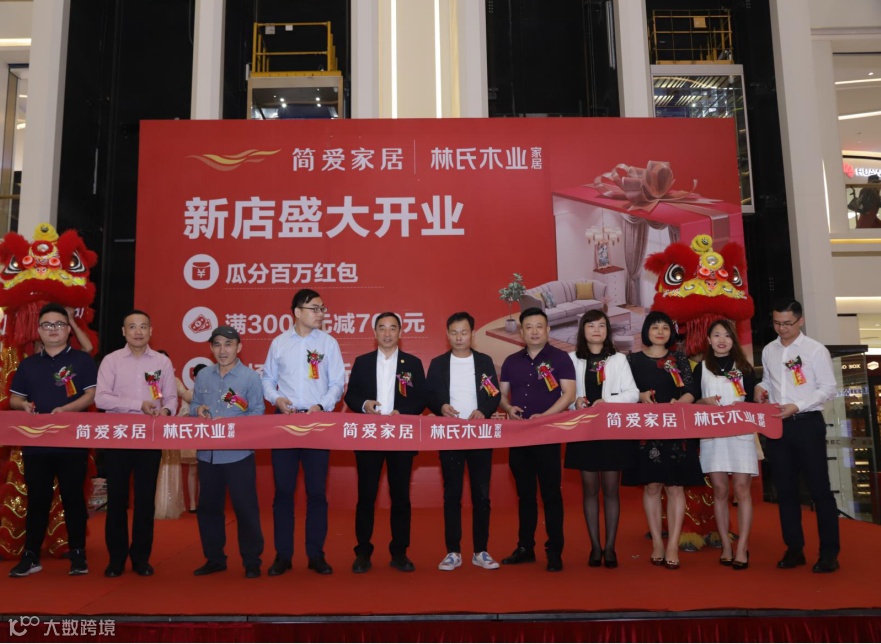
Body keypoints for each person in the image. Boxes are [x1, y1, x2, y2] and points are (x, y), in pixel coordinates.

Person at [8, 303, 98, 577]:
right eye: (47, 325)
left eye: (59, 324)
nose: (53, 330)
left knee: (73, 498)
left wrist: (68, 409)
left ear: (68, 329)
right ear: (39, 330)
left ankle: (78, 553)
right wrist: (23, 406)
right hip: (36, 443)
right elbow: (14, 398)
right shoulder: (28, 364)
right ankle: (31, 555)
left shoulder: (82, 360)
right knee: (37, 499)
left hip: (72, 441)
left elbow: (91, 395)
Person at [261, 288, 345, 576]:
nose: (320, 313)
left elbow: (337, 383)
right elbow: (267, 379)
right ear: (297, 312)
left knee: (316, 492)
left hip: (317, 422)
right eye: (315, 308)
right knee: (283, 491)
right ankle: (283, 556)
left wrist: (322, 405)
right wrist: (276, 398)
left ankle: (316, 555)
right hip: (284, 421)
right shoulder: (279, 343)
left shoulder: (329, 343)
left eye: (322, 309)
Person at [754, 299, 839, 573]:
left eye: (787, 323)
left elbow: (828, 388)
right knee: (785, 490)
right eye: (777, 323)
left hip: (807, 423)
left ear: (800, 321)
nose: (782, 328)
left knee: (819, 490)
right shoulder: (770, 350)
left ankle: (829, 554)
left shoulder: (815, 350)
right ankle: (794, 549)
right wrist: (760, 388)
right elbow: (769, 381)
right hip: (778, 426)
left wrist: (798, 406)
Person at [95, 309, 177, 578]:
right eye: (132, 327)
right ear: (123, 332)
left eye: (143, 326)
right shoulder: (111, 361)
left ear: (151, 331)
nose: (138, 331)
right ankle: (116, 560)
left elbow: (171, 399)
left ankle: (141, 558)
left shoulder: (162, 362)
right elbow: (101, 398)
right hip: (118, 438)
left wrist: (166, 411)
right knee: (116, 500)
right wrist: (137, 405)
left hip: (149, 439)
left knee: (145, 501)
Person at [344, 312, 426, 573]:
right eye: (382, 328)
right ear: (375, 333)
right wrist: (365, 404)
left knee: (400, 497)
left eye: (392, 328)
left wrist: (403, 412)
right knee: (366, 497)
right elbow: (351, 396)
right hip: (370, 436)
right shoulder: (363, 362)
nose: (387, 333)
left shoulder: (412, 363)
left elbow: (421, 398)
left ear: (400, 333)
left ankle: (399, 552)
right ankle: (362, 552)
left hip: (400, 436)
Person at [498, 307, 575, 572]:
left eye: (539, 326)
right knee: (525, 495)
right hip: (519, 437)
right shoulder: (511, 361)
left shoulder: (561, 358)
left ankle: (554, 551)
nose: (534, 332)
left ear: (548, 330)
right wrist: (508, 408)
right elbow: (501, 395)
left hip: (548, 434)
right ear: (521, 331)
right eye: (528, 327)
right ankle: (525, 547)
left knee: (551, 495)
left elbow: (569, 394)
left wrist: (545, 417)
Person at [624, 311, 701, 570]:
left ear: (671, 333)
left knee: (675, 488)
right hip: (646, 430)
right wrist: (639, 395)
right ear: (646, 331)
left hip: (676, 428)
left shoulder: (679, 358)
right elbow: (624, 391)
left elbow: (691, 390)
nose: (660, 332)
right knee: (652, 487)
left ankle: (673, 546)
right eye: (655, 327)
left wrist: (680, 403)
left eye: (665, 328)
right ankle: (657, 542)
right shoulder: (632, 360)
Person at [425, 312, 502, 571]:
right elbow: (429, 395)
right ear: (447, 335)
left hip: (479, 436)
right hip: (451, 436)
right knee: (452, 494)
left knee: (481, 495)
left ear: (473, 334)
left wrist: (484, 411)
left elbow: (494, 394)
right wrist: (441, 406)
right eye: (454, 333)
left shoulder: (484, 361)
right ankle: (453, 551)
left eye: (464, 332)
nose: (459, 337)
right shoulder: (438, 364)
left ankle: (481, 551)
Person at [565, 309, 639, 569]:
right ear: (582, 330)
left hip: (611, 431)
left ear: (607, 331)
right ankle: (595, 546)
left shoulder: (618, 359)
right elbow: (565, 396)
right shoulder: (572, 359)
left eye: (601, 326)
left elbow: (633, 394)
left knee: (610, 490)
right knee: (589, 490)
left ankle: (610, 547)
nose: (596, 330)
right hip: (584, 431)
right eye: (591, 326)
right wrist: (574, 402)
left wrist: (607, 401)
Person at [191, 326, 266, 578]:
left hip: (238, 455)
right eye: (217, 344)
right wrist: (198, 410)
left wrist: (234, 422)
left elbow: (258, 413)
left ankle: (252, 560)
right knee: (208, 509)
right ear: (211, 348)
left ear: (238, 347)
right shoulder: (204, 375)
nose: (222, 350)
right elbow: (194, 404)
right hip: (208, 454)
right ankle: (214, 559)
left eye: (228, 344)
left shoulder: (250, 378)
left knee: (245, 509)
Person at [694, 318, 759, 570]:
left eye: (727, 335)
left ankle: (742, 547)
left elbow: (754, 402)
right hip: (713, 436)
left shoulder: (745, 368)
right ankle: (726, 545)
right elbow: (692, 401)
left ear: (734, 340)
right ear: (709, 340)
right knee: (720, 491)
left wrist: (743, 406)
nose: (722, 340)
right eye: (717, 335)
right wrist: (704, 402)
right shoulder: (701, 368)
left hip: (741, 433)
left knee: (742, 490)